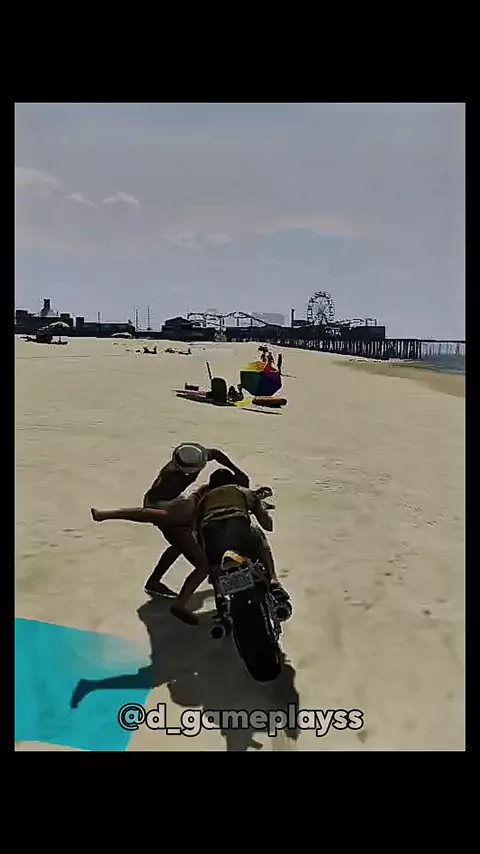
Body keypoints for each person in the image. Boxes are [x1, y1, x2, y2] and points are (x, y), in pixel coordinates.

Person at [196, 469, 289, 603]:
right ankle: (273, 580)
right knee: (259, 537)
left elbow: (197, 529)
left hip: (213, 538)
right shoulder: (243, 491)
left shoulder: (204, 500)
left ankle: (219, 594)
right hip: (240, 533)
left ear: (211, 486)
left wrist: (206, 556)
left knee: (215, 564)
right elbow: (267, 525)